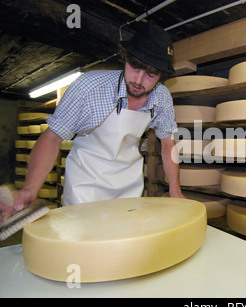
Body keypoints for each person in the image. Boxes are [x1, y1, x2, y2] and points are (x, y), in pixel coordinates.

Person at [0, 21, 183, 223]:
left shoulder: (162, 98)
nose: (139, 80)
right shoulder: (88, 87)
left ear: (161, 76)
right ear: (126, 58)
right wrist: (30, 188)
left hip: (128, 187)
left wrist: (175, 192)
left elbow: (167, 144)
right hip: (85, 188)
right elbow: (52, 137)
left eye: (150, 74)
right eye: (135, 67)